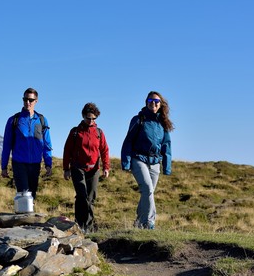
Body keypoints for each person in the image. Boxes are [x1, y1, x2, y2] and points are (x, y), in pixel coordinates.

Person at [121, 91, 174, 230]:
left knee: (147, 194)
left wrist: (167, 167)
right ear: (146, 102)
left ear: (160, 105)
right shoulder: (138, 119)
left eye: (156, 101)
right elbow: (128, 141)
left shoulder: (163, 123)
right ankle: (150, 223)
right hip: (138, 159)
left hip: (155, 162)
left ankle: (139, 222)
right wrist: (126, 163)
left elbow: (166, 145)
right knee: (148, 190)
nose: (153, 103)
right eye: (151, 100)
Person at [63, 103, 110, 232]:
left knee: (91, 197)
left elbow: (104, 150)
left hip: (94, 169)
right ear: (83, 116)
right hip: (78, 168)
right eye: (88, 118)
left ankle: (88, 227)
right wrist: (66, 169)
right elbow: (67, 150)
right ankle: (80, 225)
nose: (91, 121)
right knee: (82, 196)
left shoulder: (99, 132)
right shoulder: (75, 132)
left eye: (94, 119)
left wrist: (106, 167)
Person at [1, 87, 53, 199]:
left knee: (32, 195)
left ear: (36, 101)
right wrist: (4, 166)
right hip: (19, 163)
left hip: (35, 164)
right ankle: (24, 214)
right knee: (24, 194)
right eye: (25, 99)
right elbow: (6, 146)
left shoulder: (42, 121)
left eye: (30, 100)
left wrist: (48, 164)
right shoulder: (14, 120)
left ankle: (27, 215)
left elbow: (47, 145)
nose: (27, 102)